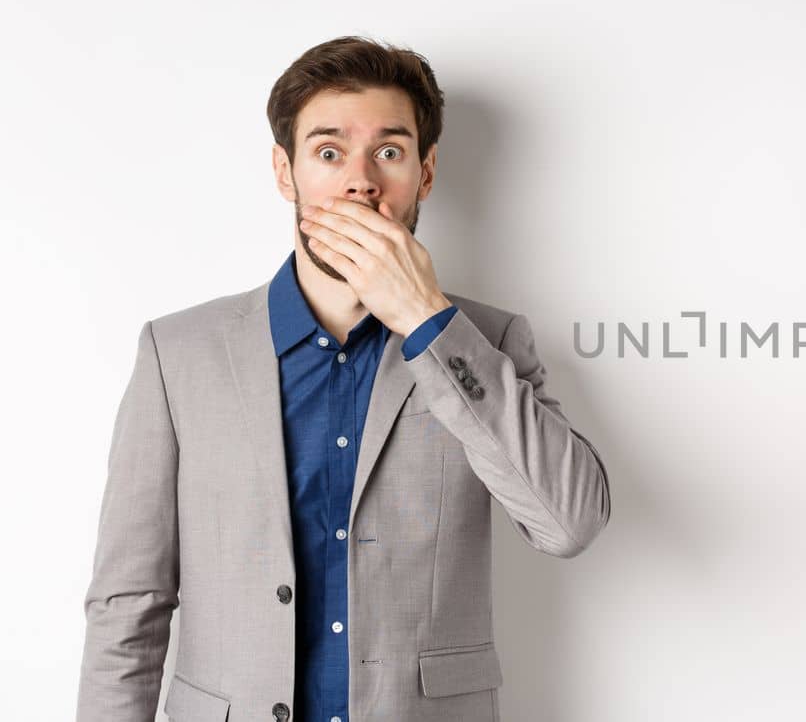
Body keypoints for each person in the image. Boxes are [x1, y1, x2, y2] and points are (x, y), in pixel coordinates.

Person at [76, 35, 611, 722]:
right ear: (285, 171)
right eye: (329, 153)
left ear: (426, 173)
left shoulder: (487, 343)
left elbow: (569, 524)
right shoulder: (177, 353)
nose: (361, 181)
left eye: (388, 152)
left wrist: (426, 318)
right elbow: (130, 603)